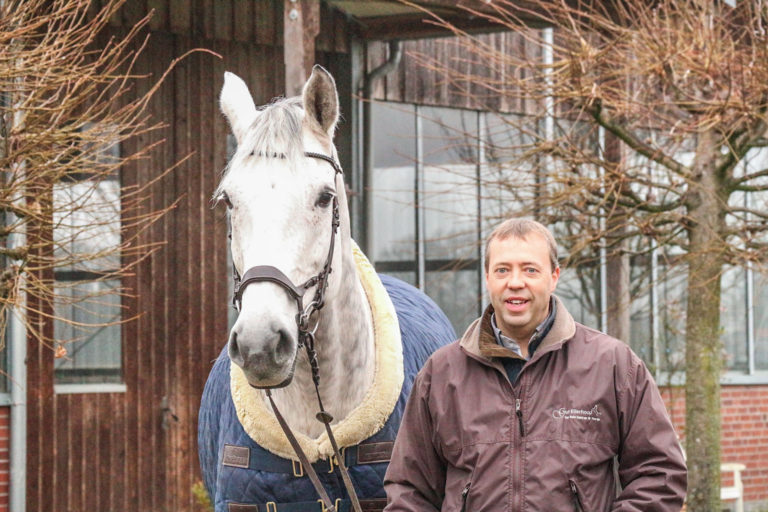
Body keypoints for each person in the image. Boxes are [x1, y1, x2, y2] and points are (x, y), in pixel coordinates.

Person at [383, 218, 687, 511]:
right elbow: (410, 490)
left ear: (554, 277)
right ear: (488, 277)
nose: (515, 283)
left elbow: (659, 474)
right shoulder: (441, 373)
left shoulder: (612, 365)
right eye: (503, 270)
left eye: (530, 269)